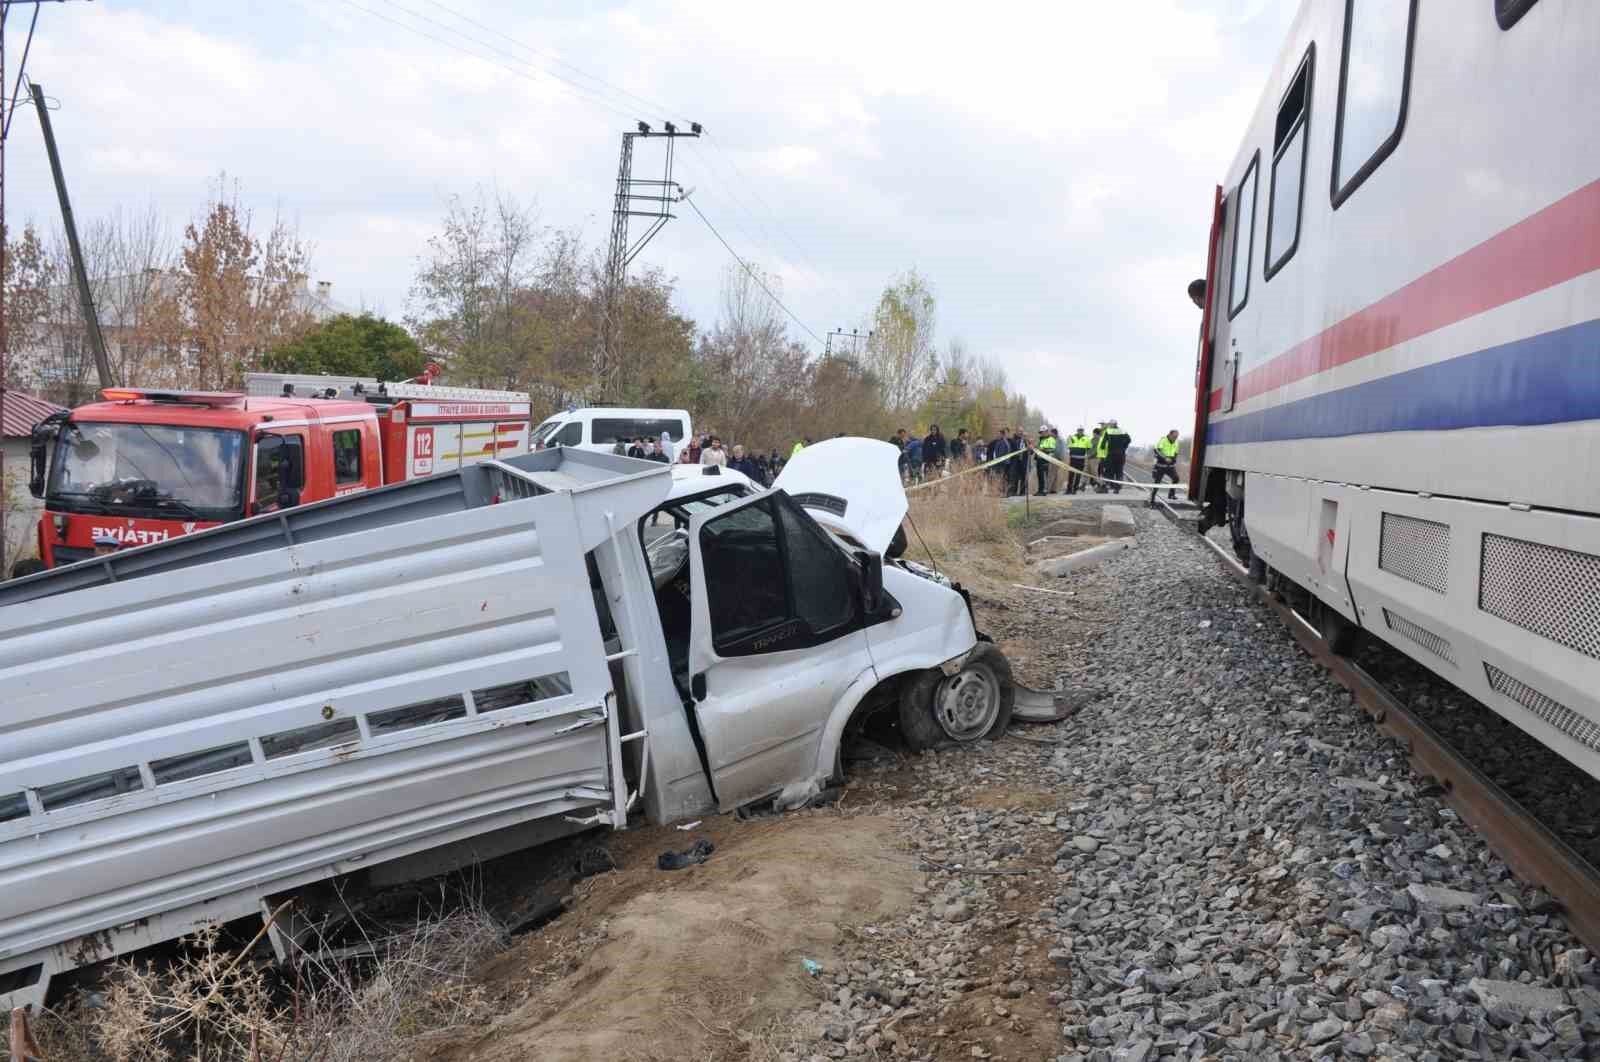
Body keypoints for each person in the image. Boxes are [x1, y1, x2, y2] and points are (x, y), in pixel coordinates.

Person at [1151, 429, 1182, 503]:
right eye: (1174, 436)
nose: (1175, 438)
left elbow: (1176, 453)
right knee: (1157, 482)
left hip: (1170, 466)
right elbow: (1157, 450)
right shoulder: (1163, 440)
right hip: (1161, 465)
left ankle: (1171, 494)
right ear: (1170, 434)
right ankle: (1152, 498)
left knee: (1176, 478)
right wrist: (1165, 458)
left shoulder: (1177, 442)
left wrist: (1174, 459)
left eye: (1177, 436)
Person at [1102, 419, 1131, 493]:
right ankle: (1117, 488)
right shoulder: (1122, 431)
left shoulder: (1108, 431)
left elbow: (1103, 444)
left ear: (1113, 424)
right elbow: (1129, 440)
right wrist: (1124, 447)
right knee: (1119, 471)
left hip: (1111, 454)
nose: (1109, 425)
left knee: (1110, 471)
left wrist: (1104, 448)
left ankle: (1109, 486)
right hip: (1121, 454)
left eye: (1110, 424)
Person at [1065, 426, 1092, 494]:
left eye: (1081, 430)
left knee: (1078, 475)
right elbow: (1068, 446)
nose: (1080, 431)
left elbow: (1089, 448)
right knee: (1071, 474)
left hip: (1081, 459)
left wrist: (1087, 455)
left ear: (1083, 431)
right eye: (1079, 430)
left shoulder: (1086, 438)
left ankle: (1075, 489)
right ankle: (1069, 489)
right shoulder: (1072, 437)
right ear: (1077, 431)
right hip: (1073, 458)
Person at [1034, 424, 1058, 496]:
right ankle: (1040, 490)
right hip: (1039, 460)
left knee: (1044, 475)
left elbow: (1053, 450)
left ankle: (1044, 490)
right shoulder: (1041, 440)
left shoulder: (1051, 439)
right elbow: (1038, 449)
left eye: (1042, 432)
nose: (1041, 433)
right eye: (1040, 432)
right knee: (1039, 475)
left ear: (1046, 431)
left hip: (1046, 460)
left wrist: (1043, 449)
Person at [1090, 423, 1108, 492]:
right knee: (1099, 473)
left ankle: (1103, 488)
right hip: (1100, 458)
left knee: (1100, 473)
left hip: (1102, 458)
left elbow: (1099, 449)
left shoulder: (1102, 439)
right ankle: (1101, 487)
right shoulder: (1101, 439)